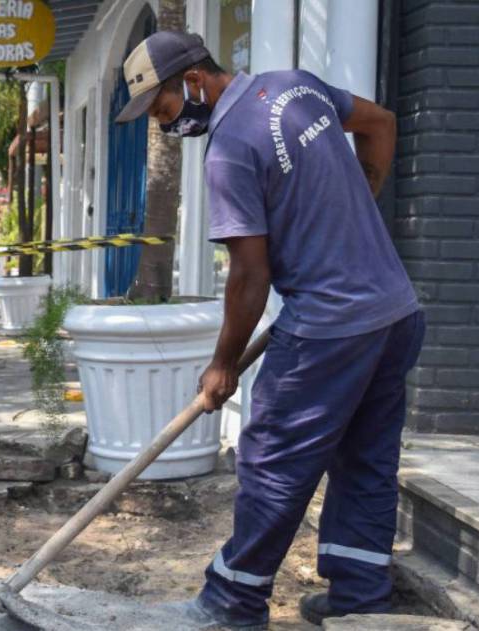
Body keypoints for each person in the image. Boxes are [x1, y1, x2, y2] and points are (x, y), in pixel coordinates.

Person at [115, 31, 424, 629]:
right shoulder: (295, 85)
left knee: (271, 460)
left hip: (328, 330)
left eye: (164, 109)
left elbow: (250, 276)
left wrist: (222, 364)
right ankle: (361, 599)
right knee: (365, 458)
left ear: (194, 81)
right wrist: (360, 200)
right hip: (395, 314)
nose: (165, 125)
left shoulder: (229, 150)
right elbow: (382, 123)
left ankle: (233, 601)